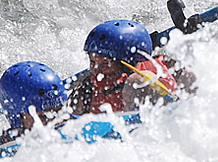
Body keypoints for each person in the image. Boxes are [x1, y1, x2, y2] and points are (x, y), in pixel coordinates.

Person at [66, 19, 195, 116]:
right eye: (92, 62)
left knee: (136, 82)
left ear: (130, 64)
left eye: (105, 64)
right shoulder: (87, 89)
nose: (96, 70)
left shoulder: (155, 75)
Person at [0, 61, 68, 159]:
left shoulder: (75, 125)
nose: (56, 120)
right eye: (43, 116)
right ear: (18, 118)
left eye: (60, 111)